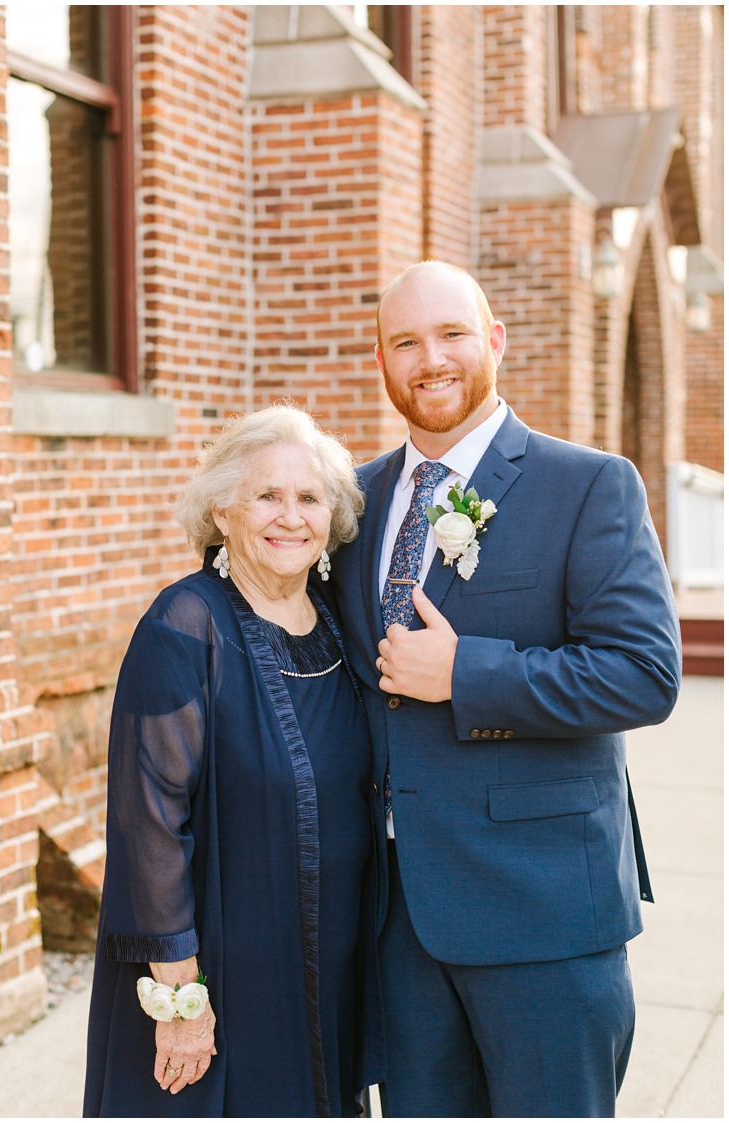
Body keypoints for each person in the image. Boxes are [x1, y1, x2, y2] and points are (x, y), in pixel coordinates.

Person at [328, 260, 681, 1117]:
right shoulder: (353, 501)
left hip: (544, 914)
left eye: (451, 333)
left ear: (494, 340)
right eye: (405, 342)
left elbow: (645, 673)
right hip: (399, 922)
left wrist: (465, 673)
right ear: (380, 359)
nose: (431, 359)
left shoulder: (589, 484)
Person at [83, 405, 384, 1117]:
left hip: (328, 966)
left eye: (309, 497)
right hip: (226, 972)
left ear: (332, 517)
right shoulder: (185, 625)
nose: (290, 516)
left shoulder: (339, 622)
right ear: (223, 510)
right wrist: (182, 1000)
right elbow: (148, 826)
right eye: (266, 496)